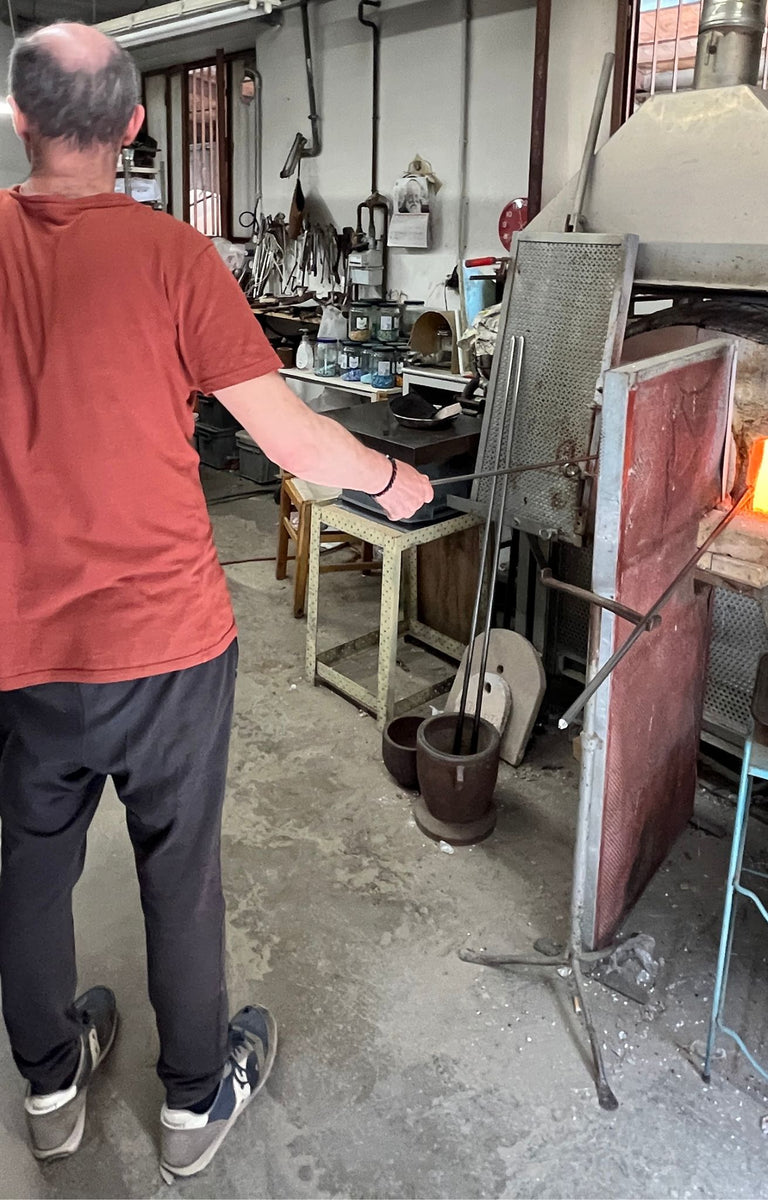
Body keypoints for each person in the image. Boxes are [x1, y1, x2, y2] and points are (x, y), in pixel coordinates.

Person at [0, 22, 433, 1182]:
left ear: (17, 118)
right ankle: (195, 1101)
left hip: (22, 642)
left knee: (32, 862)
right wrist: (396, 480)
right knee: (176, 864)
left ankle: (47, 1085)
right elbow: (288, 435)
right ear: (136, 129)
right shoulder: (176, 257)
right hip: (166, 642)